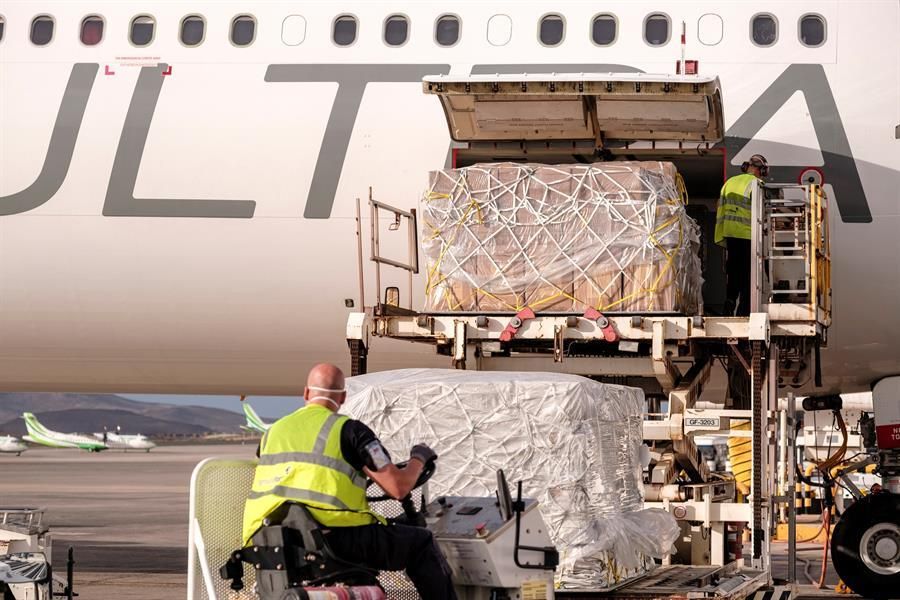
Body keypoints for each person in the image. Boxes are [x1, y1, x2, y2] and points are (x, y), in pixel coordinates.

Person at [243, 363, 457, 600]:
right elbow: (399, 488)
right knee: (420, 543)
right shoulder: (350, 432)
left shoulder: (272, 433)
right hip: (334, 537)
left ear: (305, 393)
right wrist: (419, 458)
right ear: (343, 397)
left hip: (269, 540)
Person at [715, 154, 768, 316]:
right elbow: (763, 212)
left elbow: (720, 206)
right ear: (759, 170)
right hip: (747, 235)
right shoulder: (756, 184)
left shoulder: (729, 183)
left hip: (729, 233)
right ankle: (743, 311)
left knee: (734, 272)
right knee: (748, 277)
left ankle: (729, 302)